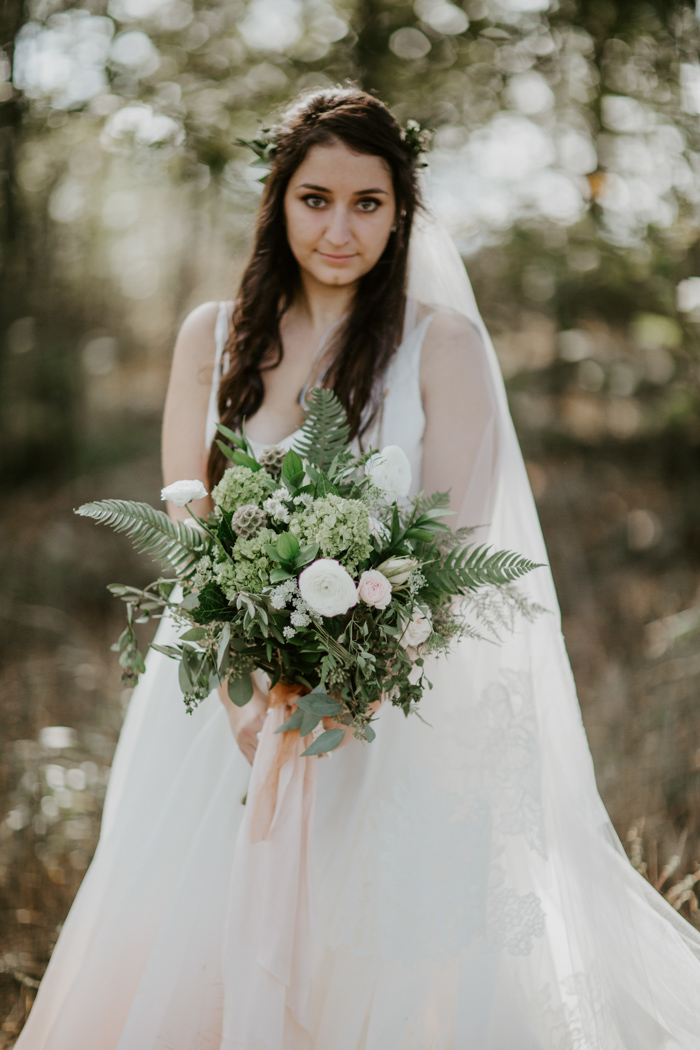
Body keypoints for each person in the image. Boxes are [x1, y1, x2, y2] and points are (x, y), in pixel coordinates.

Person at [16, 88, 700, 1050]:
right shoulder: (210, 337)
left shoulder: (443, 345)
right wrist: (243, 679)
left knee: (380, 951)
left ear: (401, 211)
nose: (340, 228)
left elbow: (455, 551)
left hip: (393, 693)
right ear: (279, 202)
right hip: (227, 682)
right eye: (315, 199)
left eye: (367, 203)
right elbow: (186, 510)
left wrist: (349, 686)